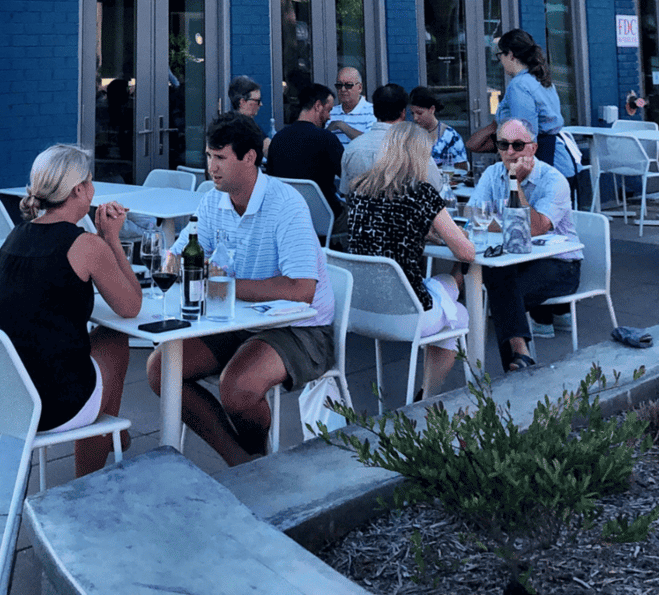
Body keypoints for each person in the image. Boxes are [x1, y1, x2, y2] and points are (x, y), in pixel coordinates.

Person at [147, 112, 335, 466]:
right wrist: (167, 263)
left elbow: (302, 290)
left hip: (300, 327)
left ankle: (256, 459)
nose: (211, 168)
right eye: (208, 157)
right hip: (236, 317)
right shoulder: (212, 202)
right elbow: (177, 258)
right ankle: (242, 462)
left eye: (220, 158)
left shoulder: (286, 204)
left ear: (249, 157)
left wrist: (224, 283)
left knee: (238, 388)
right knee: (161, 369)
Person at [0, 144, 142, 474]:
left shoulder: (15, 236)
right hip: (55, 405)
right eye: (90, 181)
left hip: (6, 398)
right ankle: (88, 479)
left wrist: (99, 241)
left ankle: (116, 436)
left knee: (97, 339)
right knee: (116, 340)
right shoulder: (85, 244)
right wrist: (111, 239)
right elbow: (131, 306)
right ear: (80, 189)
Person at [329, 123, 474, 397]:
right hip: (407, 313)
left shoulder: (360, 189)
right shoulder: (421, 194)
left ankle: (425, 397)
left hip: (363, 310)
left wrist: (425, 234)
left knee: (445, 289)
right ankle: (428, 397)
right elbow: (466, 251)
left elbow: (386, 229)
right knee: (458, 312)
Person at [472, 118, 582, 372]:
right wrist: (505, 223)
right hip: (516, 260)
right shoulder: (491, 174)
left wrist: (515, 184)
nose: (510, 152)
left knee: (505, 291)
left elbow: (534, 229)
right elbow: (475, 216)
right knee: (496, 276)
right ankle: (521, 357)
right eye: (503, 144)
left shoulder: (553, 180)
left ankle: (518, 363)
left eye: (518, 145)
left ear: (532, 148)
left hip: (561, 263)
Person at [495, 29, 576, 184]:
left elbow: (524, 133)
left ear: (511, 55)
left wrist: (519, 175)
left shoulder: (519, 85)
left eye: (500, 55)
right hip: (560, 162)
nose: (500, 61)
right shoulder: (541, 79)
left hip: (541, 165)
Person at [341, 83, 444, 193]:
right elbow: (436, 186)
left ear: (375, 112)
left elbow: (346, 193)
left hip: (362, 209)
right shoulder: (416, 146)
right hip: (406, 209)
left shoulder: (352, 148)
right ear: (403, 112)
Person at [265, 82, 343, 217]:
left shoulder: (278, 139)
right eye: (328, 110)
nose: (330, 117)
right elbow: (347, 176)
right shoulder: (327, 139)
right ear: (318, 106)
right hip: (323, 217)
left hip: (286, 215)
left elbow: (271, 179)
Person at [409, 87, 468, 170]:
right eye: (412, 113)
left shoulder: (450, 136)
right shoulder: (410, 134)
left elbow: (462, 169)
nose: (415, 118)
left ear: (432, 109)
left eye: (419, 113)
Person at [327, 67, 376, 149]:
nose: (343, 89)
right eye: (339, 85)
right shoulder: (330, 112)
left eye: (348, 85)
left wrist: (341, 126)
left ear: (360, 87)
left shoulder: (373, 111)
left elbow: (370, 143)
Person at [227, 74, 271, 155]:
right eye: (257, 100)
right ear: (242, 102)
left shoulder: (225, 124)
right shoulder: (248, 128)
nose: (260, 104)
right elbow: (271, 152)